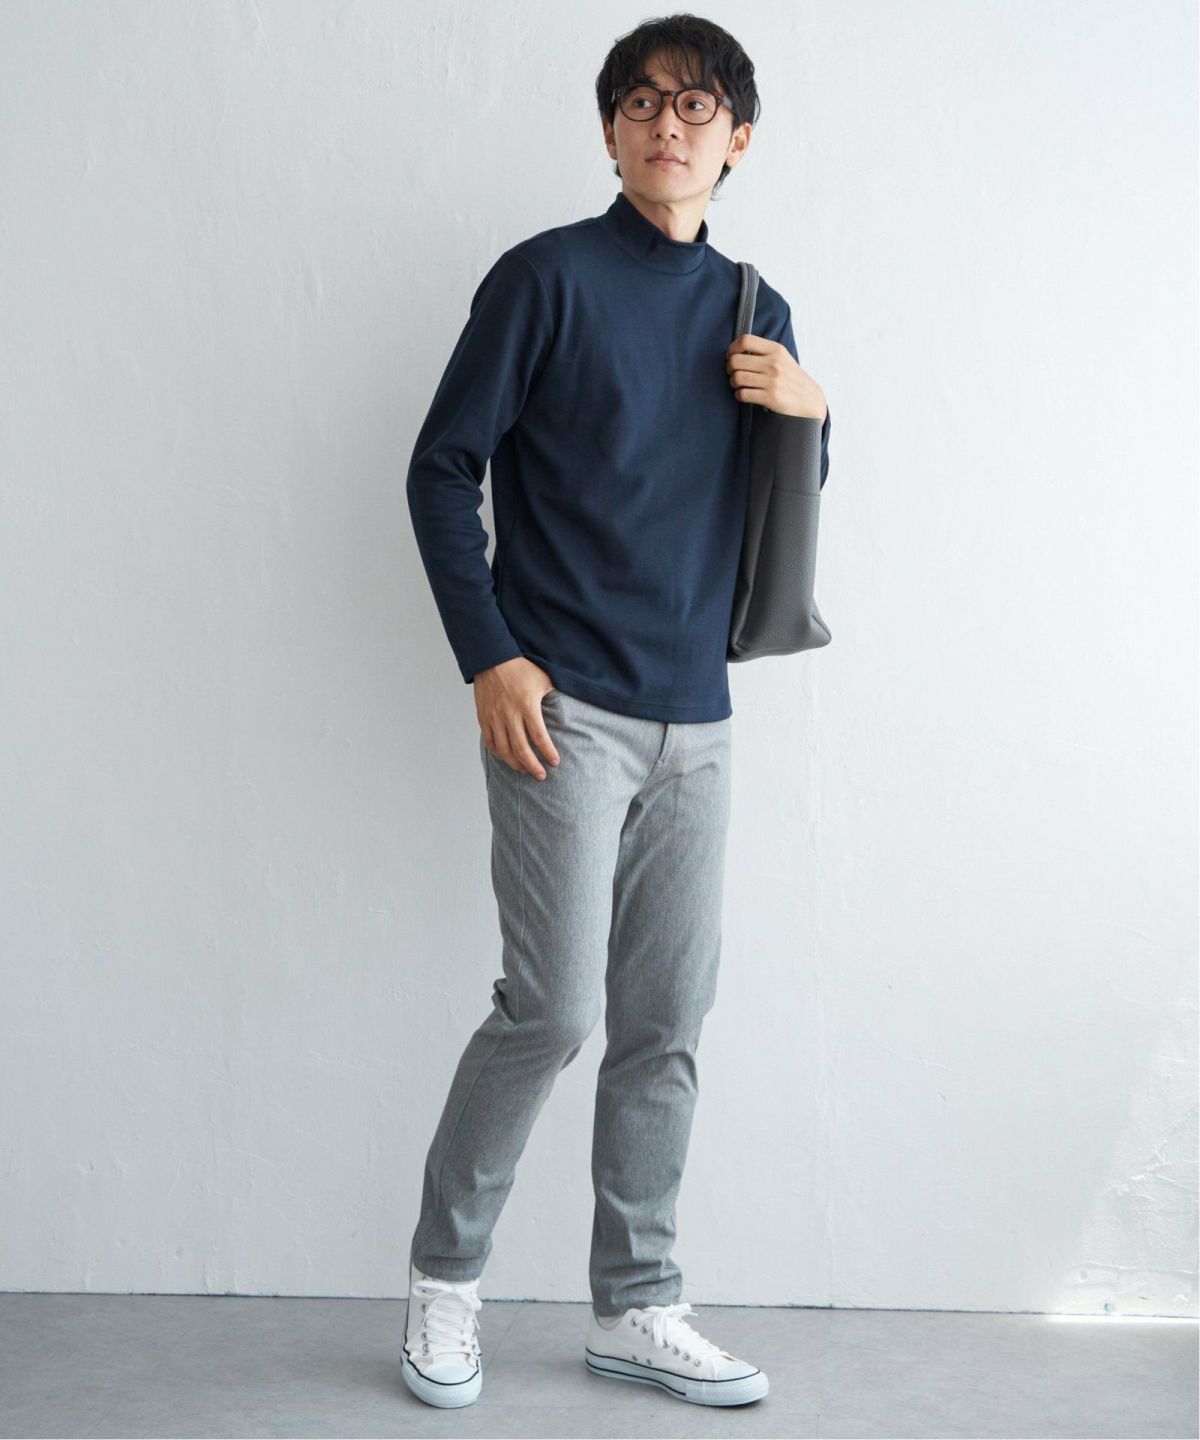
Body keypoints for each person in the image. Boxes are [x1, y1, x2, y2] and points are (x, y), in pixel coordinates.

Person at [400, 14, 831, 1412]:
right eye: (642, 103)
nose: (668, 125)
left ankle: (637, 1304)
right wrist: (489, 655)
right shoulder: (545, 279)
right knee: (551, 1008)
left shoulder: (758, 310)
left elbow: (778, 513)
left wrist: (812, 412)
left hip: (699, 719)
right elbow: (440, 467)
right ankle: (444, 1282)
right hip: (562, 708)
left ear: (738, 138)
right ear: (608, 130)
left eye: (697, 106)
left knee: (667, 1019)